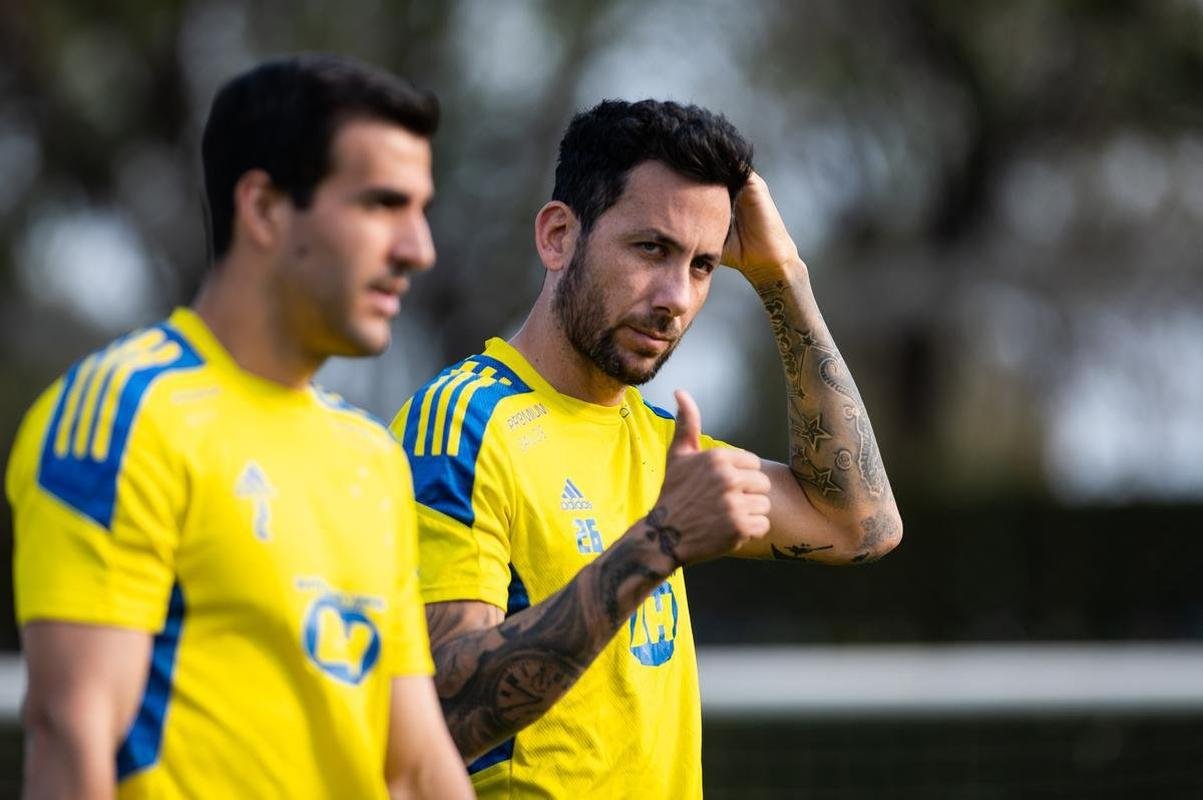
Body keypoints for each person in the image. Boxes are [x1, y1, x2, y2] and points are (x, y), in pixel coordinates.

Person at [389, 98, 904, 796]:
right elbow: (437, 716)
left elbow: (860, 525)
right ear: (558, 237)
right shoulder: (461, 422)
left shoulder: (659, 438)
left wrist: (784, 278)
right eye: (650, 249)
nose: (675, 297)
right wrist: (655, 544)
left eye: (701, 266)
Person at [7, 55, 472, 799]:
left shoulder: (371, 455)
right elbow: (71, 736)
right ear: (262, 208)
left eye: (419, 210)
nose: (419, 248)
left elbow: (414, 767)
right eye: (382, 205)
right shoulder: (126, 415)